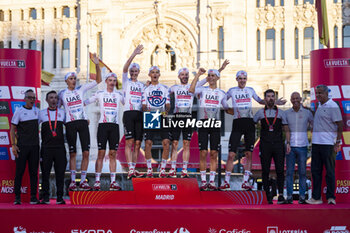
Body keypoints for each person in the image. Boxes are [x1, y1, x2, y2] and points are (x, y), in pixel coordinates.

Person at [222, 70, 286, 191]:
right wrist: (226, 108)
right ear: (236, 79)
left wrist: (276, 102)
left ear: (246, 79)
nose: (242, 80)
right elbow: (223, 99)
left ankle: (245, 182)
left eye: (244, 78)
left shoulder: (250, 90)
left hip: (249, 123)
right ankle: (226, 182)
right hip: (237, 122)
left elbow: (261, 101)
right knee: (231, 154)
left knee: (248, 154)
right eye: (240, 78)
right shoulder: (232, 90)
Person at [167, 61, 229, 178]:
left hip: (188, 116)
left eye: (186, 75)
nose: (184, 77)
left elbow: (210, 79)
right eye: (182, 75)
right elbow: (162, 93)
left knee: (186, 143)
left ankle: (184, 169)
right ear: (179, 76)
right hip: (177, 116)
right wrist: (148, 86)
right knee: (174, 143)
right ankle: (172, 168)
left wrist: (220, 69)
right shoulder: (174, 87)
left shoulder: (196, 86)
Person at [58, 53, 102, 191]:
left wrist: (96, 64)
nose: (73, 80)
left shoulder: (81, 89)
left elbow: (99, 80)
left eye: (74, 78)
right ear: (66, 81)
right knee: (72, 153)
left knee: (86, 152)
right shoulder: (62, 94)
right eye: (71, 79)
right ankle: (72, 181)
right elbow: (58, 109)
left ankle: (83, 181)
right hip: (70, 124)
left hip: (82, 123)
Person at [189, 68, 229, 191]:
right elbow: (191, 89)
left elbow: (227, 107)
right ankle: (203, 181)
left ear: (217, 78)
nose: (211, 77)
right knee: (203, 153)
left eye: (213, 76)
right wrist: (199, 75)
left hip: (215, 123)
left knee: (214, 153)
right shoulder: (202, 89)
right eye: (209, 76)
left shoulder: (222, 92)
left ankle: (211, 181)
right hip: (203, 122)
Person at [85, 73, 124, 191]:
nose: (112, 82)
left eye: (114, 80)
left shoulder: (119, 95)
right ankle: (97, 181)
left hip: (114, 127)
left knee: (113, 154)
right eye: (110, 80)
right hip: (103, 126)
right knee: (101, 153)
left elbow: (130, 103)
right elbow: (85, 102)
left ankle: (113, 182)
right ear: (106, 81)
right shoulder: (100, 94)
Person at [306, 85, 343, 205]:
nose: (318, 96)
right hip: (316, 144)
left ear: (327, 94)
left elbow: (340, 124)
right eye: (317, 93)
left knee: (330, 171)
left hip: (328, 144)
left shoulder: (333, 106)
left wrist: (338, 142)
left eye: (321, 93)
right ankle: (316, 198)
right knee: (315, 171)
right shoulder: (319, 106)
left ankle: (331, 197)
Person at [253, 89, 290, 204]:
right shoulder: (259, 113)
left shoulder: (281, 113)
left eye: (272, 96)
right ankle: (266, 194)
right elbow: (252, 125)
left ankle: (280, 195)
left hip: (278, 144)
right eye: (268, 96)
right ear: (265, 99)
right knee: (265, 170)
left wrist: (288, 143)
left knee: (280, 170)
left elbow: (286, 130)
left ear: (275, 98)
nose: (270, 98)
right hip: (265, 145)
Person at [10, 89, 40, 205]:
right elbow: (12, 129)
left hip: (35, 147)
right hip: (22, 146)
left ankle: (33, 197)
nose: (32, 100)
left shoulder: (37, 111)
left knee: (33, 173)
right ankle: (17, 197)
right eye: (30, 97)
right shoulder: (19, 111)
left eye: (34, 98)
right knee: (19, 172)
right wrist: (13, 145)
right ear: (25, 98)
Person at [38, 91, 67, 204]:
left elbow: (70, 126)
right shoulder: (41, 113)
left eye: (55, 98)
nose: (54, 100)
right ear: (47, 100)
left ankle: (60, 197)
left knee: (60, 173)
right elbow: (33, 127)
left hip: (60, 148)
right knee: (45, 173)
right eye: (51, 98)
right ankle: (45, 197)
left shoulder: (62, 113)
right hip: (46, 148)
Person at [285, 92, 313, 204]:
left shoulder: (307, 113)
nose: (295, 100)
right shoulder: (286, 113)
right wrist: (287, 143)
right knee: (289, 172)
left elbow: (314, 125)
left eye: (297, 98)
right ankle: (289, 196)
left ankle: (302, 197)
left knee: (302, 172)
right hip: (290, 146)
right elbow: (286, 130)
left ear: (300, 99)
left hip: (303, 146)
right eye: (293, 99)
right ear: (291, 100)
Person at [142, 66, 170, 178]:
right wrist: (148, 112)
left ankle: (162, 169)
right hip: (150, 116)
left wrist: (166, 111)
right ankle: (149, 169)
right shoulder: (146, 89)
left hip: (162, 116)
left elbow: (168, 104)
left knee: (166, 143)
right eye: (152, 72)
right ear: (149, 75)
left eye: (157, 72)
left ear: (159, 74)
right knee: (148, 143)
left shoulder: (164, 88)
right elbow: (143, 105)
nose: (154, 74)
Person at [122, 45, 145, 179]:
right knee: (129, 142)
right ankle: (130, 168)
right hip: (129, 113)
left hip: (139, 114)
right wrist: (134, 54)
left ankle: (133, 168)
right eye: (132, 71)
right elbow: (125, 68)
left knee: (137, 144)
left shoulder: (142, 85)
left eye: (136, 71)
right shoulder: (126, 82)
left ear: (139, 72)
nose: (134, 73)